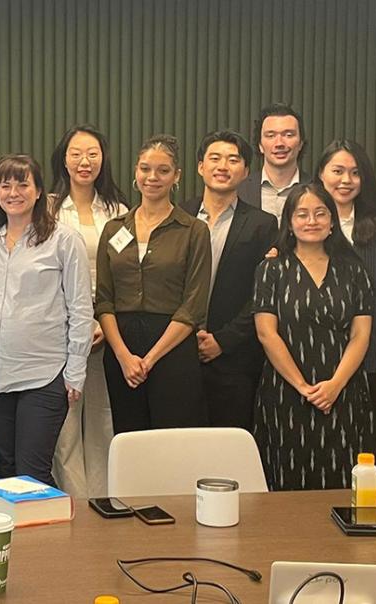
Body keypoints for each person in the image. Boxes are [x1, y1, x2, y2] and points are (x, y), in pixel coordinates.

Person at [0, 154, 93, 486]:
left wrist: (75, 371)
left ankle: (44, 540)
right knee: (6, 468)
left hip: (45, 374)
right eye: (5, 184)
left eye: (23, 183)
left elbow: (80, 308)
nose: (13, 192)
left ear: (38, 192)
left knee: (32, 472)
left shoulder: (63, 240)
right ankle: (12, 539)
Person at [252, 182, 376, 491]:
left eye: (320, 213)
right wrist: (303, 387)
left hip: (344, 391)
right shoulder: (272, 269)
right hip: (286, 392)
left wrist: (334, 385)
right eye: (302, 214)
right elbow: (267, 334)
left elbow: (361, 335)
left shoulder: (353, 270)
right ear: (290, 222)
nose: (311, 221)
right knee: (286, 480)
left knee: (344, 480)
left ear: (332, 221)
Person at [95, 134, 210, 433]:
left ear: (177, 176)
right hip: (122, 349)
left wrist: (150, 359)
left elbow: (193, 305)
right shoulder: (114, 229)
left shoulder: (194, 230)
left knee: (171, 442)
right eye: (145, 168)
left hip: (172, 348)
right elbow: (104, 300)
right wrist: (123, 356)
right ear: (135, 172)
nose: (152, 177)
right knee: (129, 439)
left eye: (163, 170)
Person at [48, 125, 128, 498]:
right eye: (76, 153)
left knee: (100, 418)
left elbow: (123, 273)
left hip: (106, 328)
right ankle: (73, 500)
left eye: (92, 153)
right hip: (57, 331)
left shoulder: (119, 210)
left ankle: (103, 499)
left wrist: (99, 320)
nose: (84, 161)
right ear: (63, 158)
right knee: (64, 421)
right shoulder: (46, 209)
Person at [181, 130, 277, 430]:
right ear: (200, 166)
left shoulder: (263, 225)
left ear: (247, 171)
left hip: (235, 359)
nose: (223, 166)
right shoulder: (178, 216)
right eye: (215, 158)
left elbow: (263, 295)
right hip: (176, 353)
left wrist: (222, 340)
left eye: (233, 160)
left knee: (228, 450)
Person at [314, 140, 376, 446]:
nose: (345, 180)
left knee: (369, 441)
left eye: (354, 173)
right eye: (337, 171)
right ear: (321, 175)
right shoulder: (306, 228)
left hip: (375, 355)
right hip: (320, 354)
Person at [237, 103, 310, 222]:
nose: (279, 143)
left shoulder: (318, 189)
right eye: (271, 136)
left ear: (301, 143)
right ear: (260, 145)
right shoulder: (239, 190)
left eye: (288, 135)